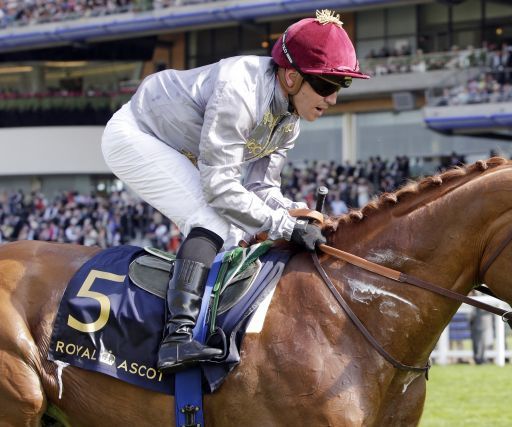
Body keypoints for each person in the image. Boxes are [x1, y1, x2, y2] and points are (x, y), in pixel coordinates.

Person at [101, 9, 369, 373]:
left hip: (180, 148)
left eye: (342, 87)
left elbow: (261, 188)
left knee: (239, 229)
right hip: (136, 134)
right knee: (212, 215)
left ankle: (215, 330)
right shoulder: (241, 91)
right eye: (326, 85)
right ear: (291, 76)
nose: (333, 98)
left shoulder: (288, 122)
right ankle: (176, 338)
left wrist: (297, 213)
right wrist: (285, 227)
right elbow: (220, 188)